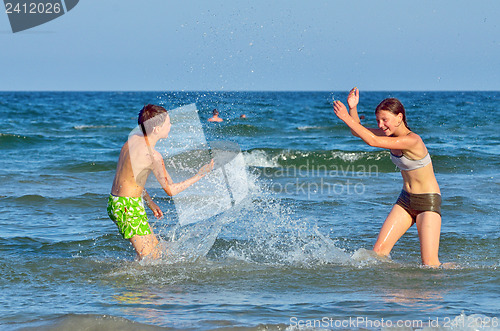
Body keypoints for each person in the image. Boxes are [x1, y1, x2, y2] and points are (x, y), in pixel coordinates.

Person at [333, 87, 442, 267]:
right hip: (405, 200)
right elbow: (357, 131)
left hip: (427, 202)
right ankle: (388, 290)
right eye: (378, 121)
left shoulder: (412, 140)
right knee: (378, 253)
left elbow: (372, 141)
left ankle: (451, 277)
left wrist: (345, 117)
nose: (381, 125)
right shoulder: (389, 134)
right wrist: (353, 109)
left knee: (429, 264)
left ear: (399, 118)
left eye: (385, 120)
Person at [108, 104, 214, 260]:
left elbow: (132, 179)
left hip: (120, 203)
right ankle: (121, 280)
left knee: (155, 251)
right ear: (156, 128)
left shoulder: (132, 140)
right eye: (168, 123)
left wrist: (150, 202)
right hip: (127, 207)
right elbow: (171, 190)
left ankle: (134, 281)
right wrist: (200, 174)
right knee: (149, 258)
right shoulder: (153, 156)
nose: (170, 126)